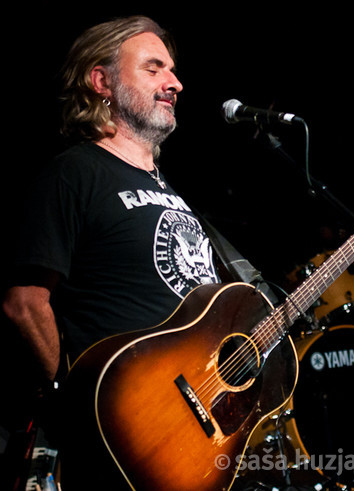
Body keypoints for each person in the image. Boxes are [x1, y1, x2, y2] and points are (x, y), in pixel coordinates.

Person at [2, 15, 221, 486]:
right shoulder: (75, 173)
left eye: (173, 70)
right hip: (112, 434)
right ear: (101, 81)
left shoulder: (176, 194)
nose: (175, 82)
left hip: (183, 433)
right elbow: (25, 303)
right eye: (154, 68)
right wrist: (74, 404)